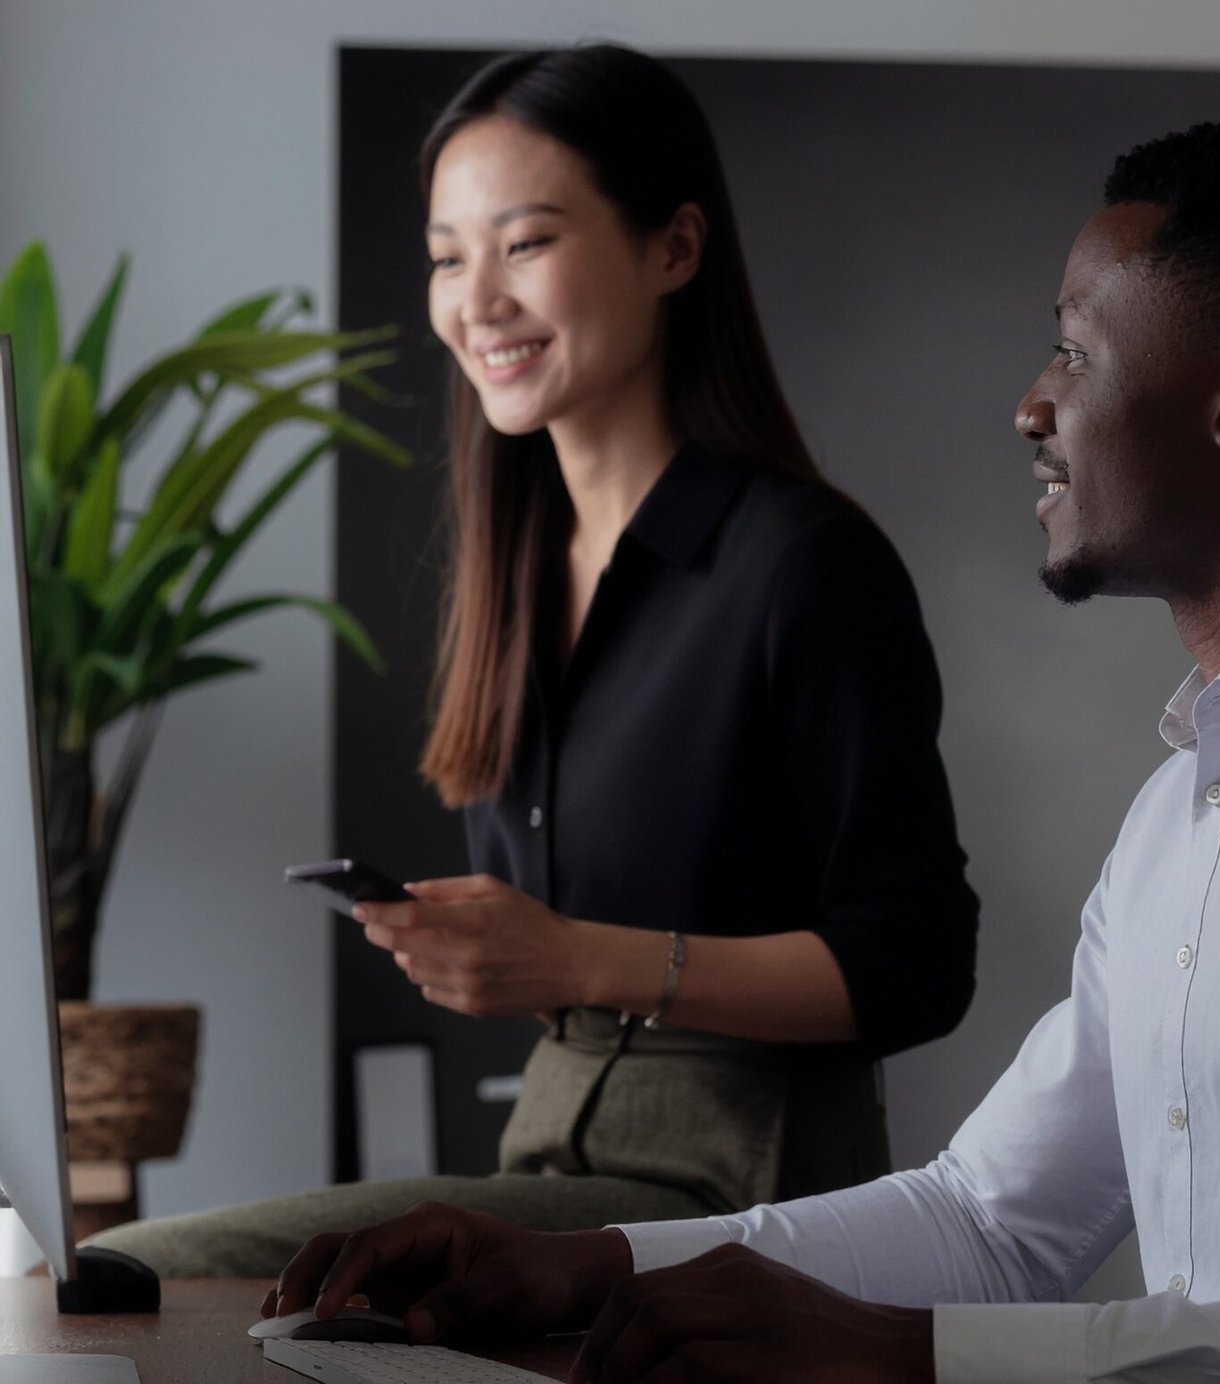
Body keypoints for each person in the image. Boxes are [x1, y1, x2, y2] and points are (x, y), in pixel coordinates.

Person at [265, 117, 1220, 1382]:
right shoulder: (1180, 814)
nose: (1031, 404)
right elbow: (993, 1223)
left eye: (1076, 350)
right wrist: (586, 1266)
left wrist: (913, 1361)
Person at [86, 44, 978, 1278]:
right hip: (549, 1155)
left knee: (135, 1271)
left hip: (741, 1185)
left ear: (673, 248)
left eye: (527, 243)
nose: (477, 299)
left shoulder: (800, 561)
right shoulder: (517, 571)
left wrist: (567, 955)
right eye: (450, 255)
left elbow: (915, 966)